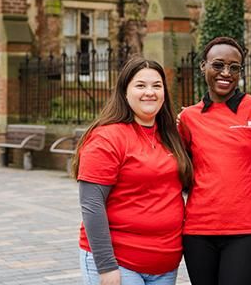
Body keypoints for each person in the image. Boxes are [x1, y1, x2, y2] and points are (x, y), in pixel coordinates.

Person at [71, 56, 193, 285]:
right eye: (140, 85)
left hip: (165, 266)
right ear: (124, 92)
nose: (150, 92)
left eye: (157, 86)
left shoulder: (169, 136)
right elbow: (92, 205)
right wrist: (106, 268)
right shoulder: (106, 137)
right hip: (121, 264)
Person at [177, 36, 251, 285]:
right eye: (218, 65)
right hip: (198, 231)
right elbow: (175, 171)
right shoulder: (188, 118)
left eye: (234, 67)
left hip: (247, 230)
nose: (226, 73)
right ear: (203, 66)